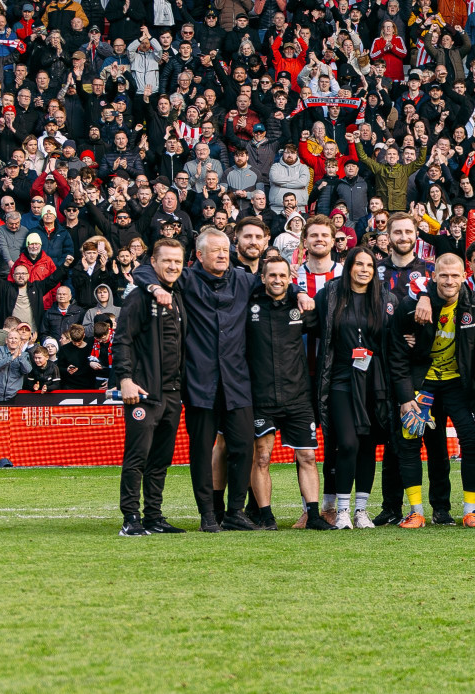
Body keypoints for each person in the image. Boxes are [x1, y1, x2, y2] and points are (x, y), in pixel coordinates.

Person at [141, 228, 258, 533]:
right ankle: (207, 514)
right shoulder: (187, 278)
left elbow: (277, 283)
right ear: (200, 255)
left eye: (225, 249)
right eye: (215, 250)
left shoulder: (244, 280)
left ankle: (235, 512)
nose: (222, 255)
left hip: (237, 381)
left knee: (243, 447)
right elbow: (143, 270)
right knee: (202, 451)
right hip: (199, 382)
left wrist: (299, 293)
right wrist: (155, 288)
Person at [385, 253, 475, 528]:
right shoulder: (411, 305)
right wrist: (405, 397)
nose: (449, 281)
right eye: (444, 275)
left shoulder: (474, 303)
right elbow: (396, 354)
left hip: (458, 385)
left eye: (455, 275)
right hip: (422, 385)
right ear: (434, 277)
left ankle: (470, 511)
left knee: (472, 442)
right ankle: (416, 511)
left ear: (464, 276)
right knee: (410, 442)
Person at [311, 248, 399, 529]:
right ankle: (342, 511)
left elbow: (397, 333)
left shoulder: (386, 298)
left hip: (375, 381)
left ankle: (361, 511)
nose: (364, 269)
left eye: (369, 265)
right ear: (348, 267)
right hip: (340, 379)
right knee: (347, 442)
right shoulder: (330, 294)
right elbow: (310, 321)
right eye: (358, 264)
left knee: (367, 444)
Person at [245, 254, 328, 530]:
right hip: (261, 397)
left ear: (290, 279)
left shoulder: (301, 307)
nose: (277, 280)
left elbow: (327, 333)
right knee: (262, 457)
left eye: (283, 275)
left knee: (308, 457)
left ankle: (313, 516)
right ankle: (266, 516)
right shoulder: (249, 305)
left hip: (298, 397)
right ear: (263, 278)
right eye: (272, 275)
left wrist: (300, 293)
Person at [116, 238, 188, 537]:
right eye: (166, 260)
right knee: (137, 457)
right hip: (144, 392)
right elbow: (122, 340)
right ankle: (130, 518)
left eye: (177, 261)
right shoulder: (139, 297)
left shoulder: (179, 295)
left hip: (172, 393)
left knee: (160, 460)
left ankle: (153, 517)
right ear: (154, 263)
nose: (172, 266)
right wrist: (125, 379)